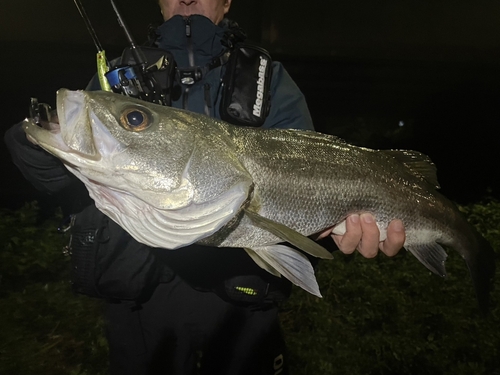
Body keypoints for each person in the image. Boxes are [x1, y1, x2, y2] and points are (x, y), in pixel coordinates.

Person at [5, 0, 405, 374]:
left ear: (227, 1)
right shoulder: (114, 79)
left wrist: (331, 227)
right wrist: (39, 156)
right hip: (139, 295)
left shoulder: (269, 80)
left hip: (241, 300)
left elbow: (311, 184)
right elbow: (72, 183)